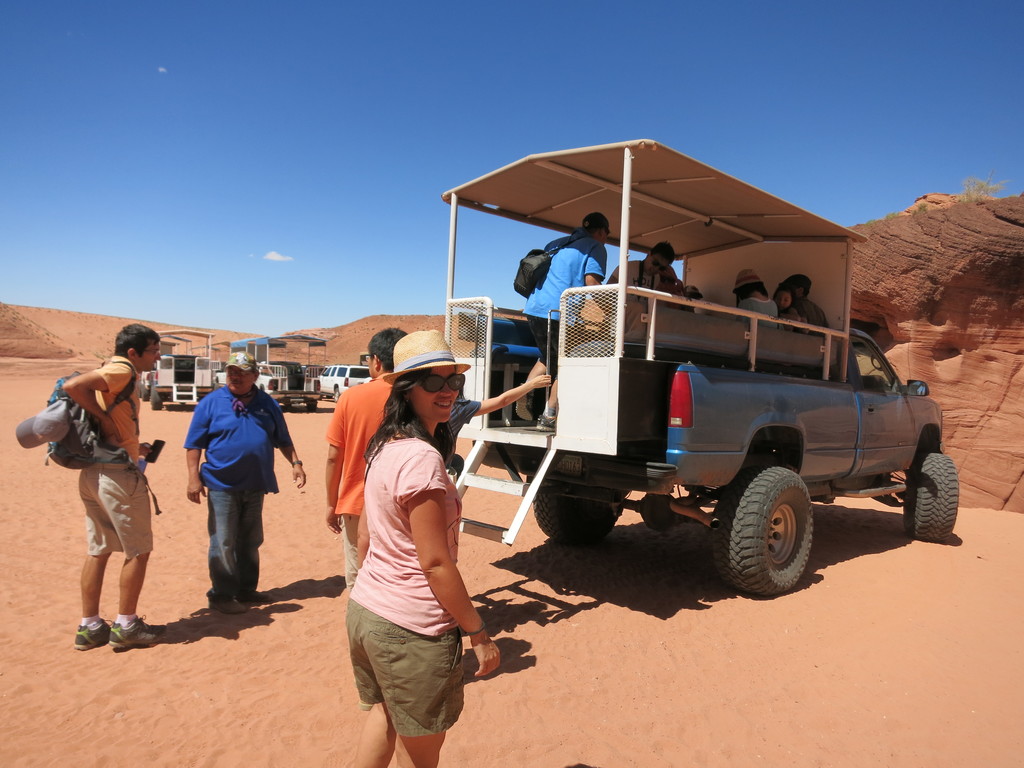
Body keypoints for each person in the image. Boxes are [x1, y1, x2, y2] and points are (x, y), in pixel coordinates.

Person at [347, 330, 501, 767]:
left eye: (454, 381)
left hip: (368, 611)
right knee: (421, 757)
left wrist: (378, 590)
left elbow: (365, 536)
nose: (448, 390)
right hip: (410, 629)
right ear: (405, 388)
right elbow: (434, 563)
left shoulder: (384, 444)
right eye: (433, 382)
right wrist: (479, 633)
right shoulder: (420, 458)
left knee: (384, 718)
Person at [62, 323, 165, 651]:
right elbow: (74, 385)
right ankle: (127, 625)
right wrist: (105, 421)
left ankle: (90, 627)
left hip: (94, 472)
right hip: (117, 478)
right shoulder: (122, 369)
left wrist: (137, 447)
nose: (157, 356)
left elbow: (113, 415)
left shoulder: (111, 367)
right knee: (138, 550)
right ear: (133, 352)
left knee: (99, 549)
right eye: (153, 350)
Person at [185, 352, 306, 615]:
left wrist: (296, 464)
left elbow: (283, 438)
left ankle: (246, 589)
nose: (234, 376)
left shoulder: (267, 404)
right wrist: (193, 478)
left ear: (255, 375)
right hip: (221, 484)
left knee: (251, 540)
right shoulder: (211, 403)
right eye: (231, 371)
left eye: (240, 372)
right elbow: (193, 445)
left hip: (255, 483)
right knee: (223, 541)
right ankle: (221, 595)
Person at [324, 328, 407, 589]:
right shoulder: (414, 396)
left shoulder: (350, 398)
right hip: (403, 502)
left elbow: (333, 458)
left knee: (359, 576)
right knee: (397, 574)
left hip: (356, 502)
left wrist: (331, 503)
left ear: (377, 361)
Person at [523, 211, 610, 432]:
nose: (606, 238)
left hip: (535, 308)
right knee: (566, 363)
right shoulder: (595, 246)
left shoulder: (557, 243)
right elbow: (592, 283)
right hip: (558, 313)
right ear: (601, 231)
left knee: (548, 356)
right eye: (607, 234)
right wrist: (612, 311)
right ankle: (549, 416)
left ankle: (522, 395)